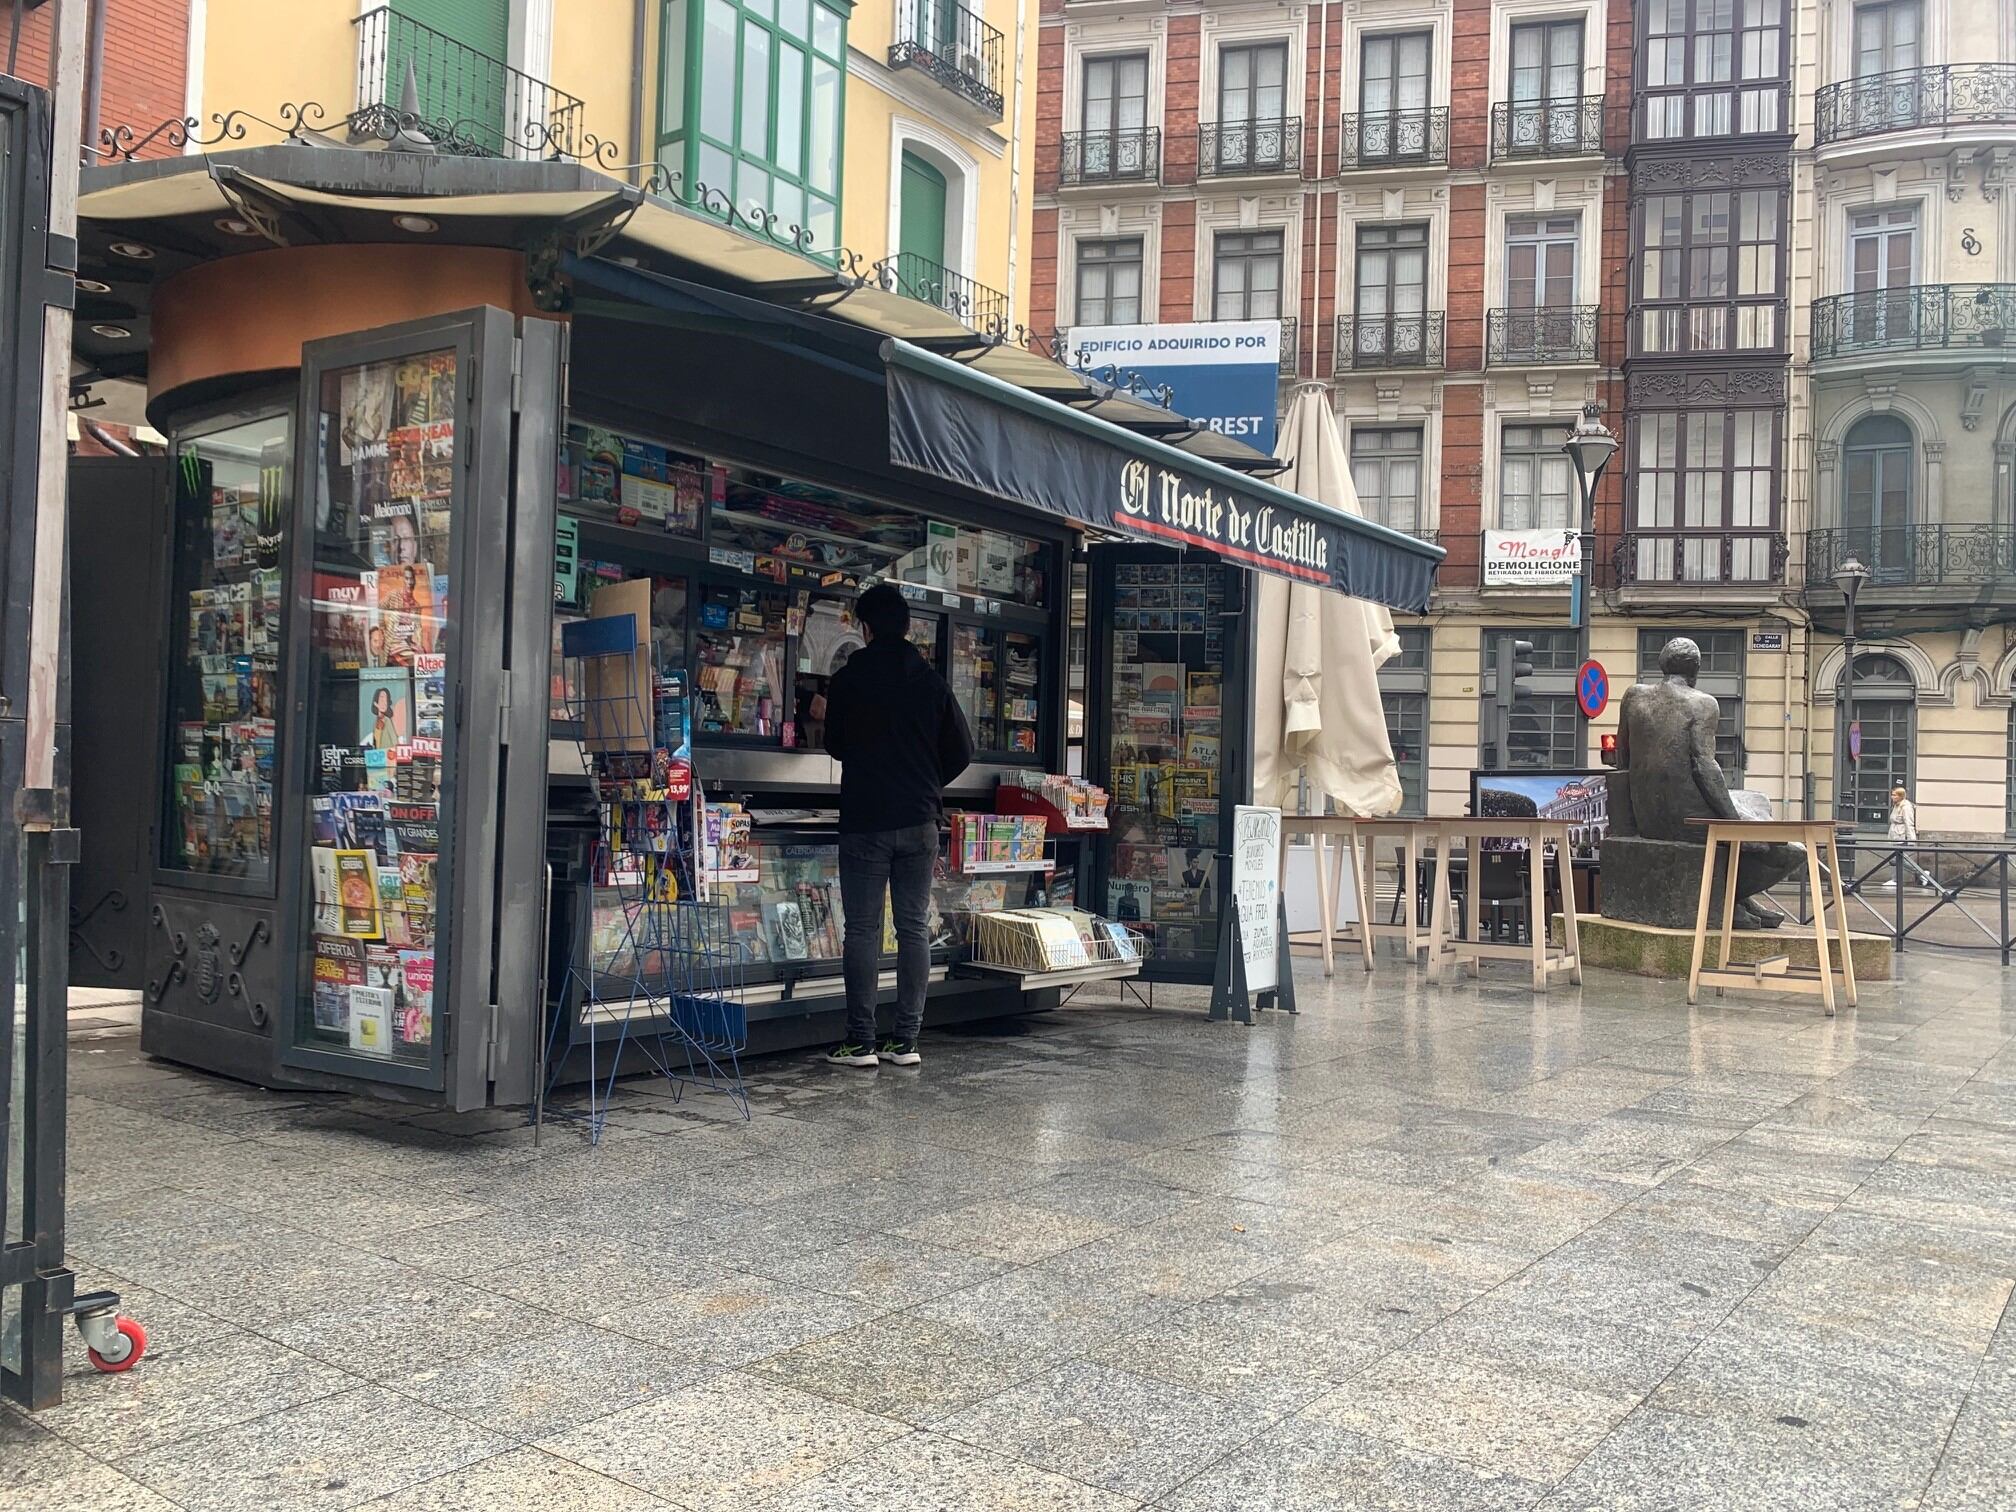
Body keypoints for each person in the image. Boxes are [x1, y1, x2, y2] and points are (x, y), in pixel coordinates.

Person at [814, 582, 972, 1068]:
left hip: (865, 819)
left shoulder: (848, 680)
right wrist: (926, 782)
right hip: (920, 819)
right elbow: (962, 751)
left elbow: (835, 745)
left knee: (862, 929)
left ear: (864, 628)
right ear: (907, 628)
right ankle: (906, 1041)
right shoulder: (931, 682)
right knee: (913, 929)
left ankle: (860, 1041)